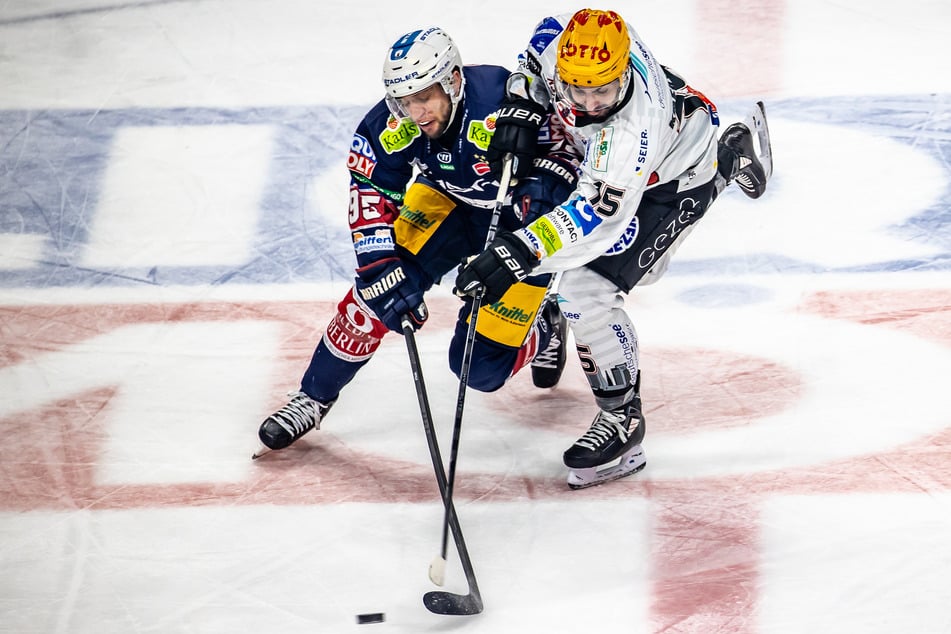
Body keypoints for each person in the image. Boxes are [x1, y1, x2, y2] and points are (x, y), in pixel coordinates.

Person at [454, 9, 773, 488]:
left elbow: (591, 220)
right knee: (539, 220)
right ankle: (551, 316)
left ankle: (624, 417)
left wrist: (513, 256)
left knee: (587, 290)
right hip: (620, 148)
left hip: (671, 176)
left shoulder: (629, 136)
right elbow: (539, 42)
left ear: (623, 76)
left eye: (601, 91)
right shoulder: (570, 47)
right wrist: (523, 101)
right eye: (576, 89)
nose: (588, 101)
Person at [254, 26, 581, 458]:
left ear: (454, 81)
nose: (416, 112)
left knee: (480, 370)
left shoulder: (505, 100)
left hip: (519, 226)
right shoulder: (395, 124)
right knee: (375, 294)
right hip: (449, 202)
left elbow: (574, 153)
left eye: (425, 96)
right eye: (404, 101)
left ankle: (545, 327)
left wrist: (539, 195)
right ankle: (313, 397)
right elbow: (369, 187)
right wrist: (378, 262)